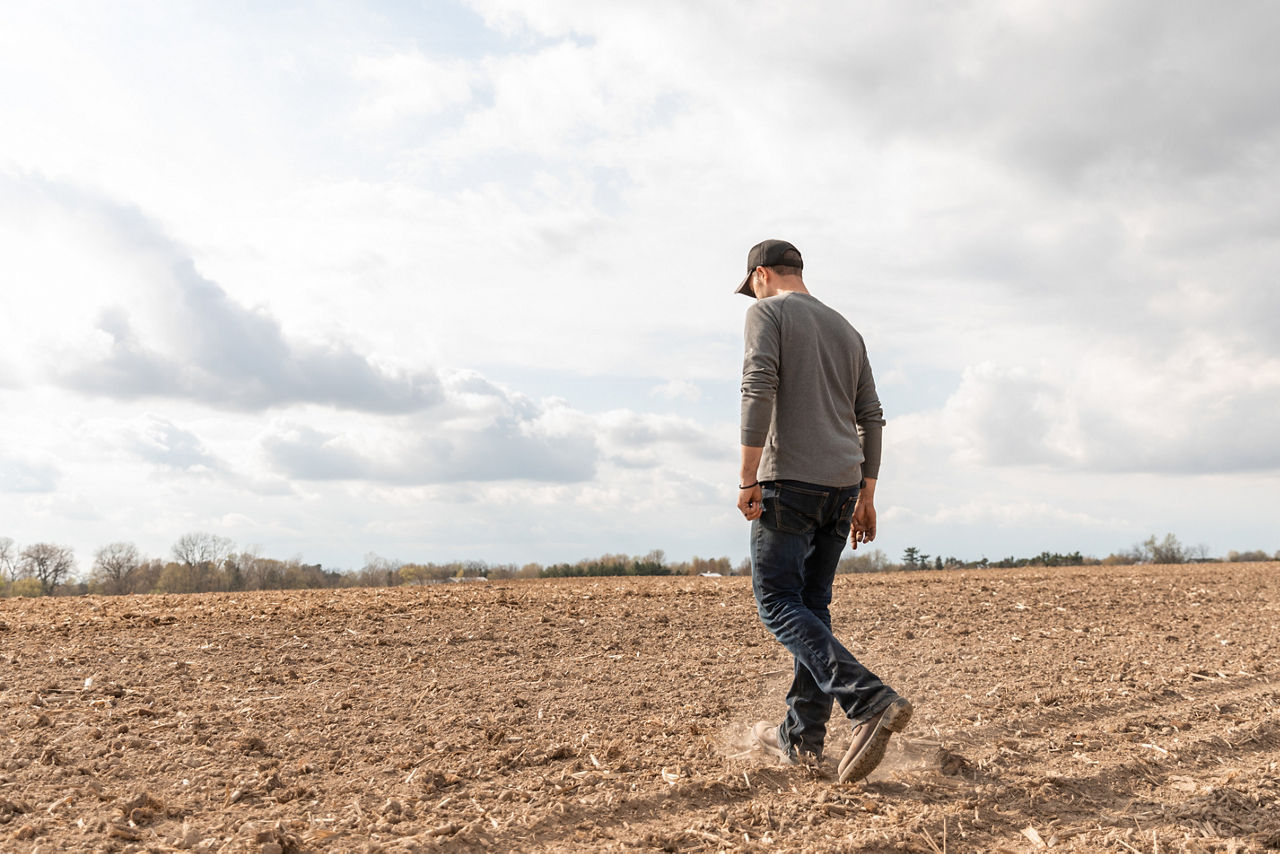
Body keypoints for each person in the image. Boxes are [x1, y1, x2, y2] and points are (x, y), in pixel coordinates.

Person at [735, 238, 911, 784]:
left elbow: (758, 385)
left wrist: (746, 475)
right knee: (811, 606)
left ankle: (869, 699)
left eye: (751, 286)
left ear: (761, 275)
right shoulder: (846, 329)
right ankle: (803, 741)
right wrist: (867, 494)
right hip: (841, 486)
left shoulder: (766, 313)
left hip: (788, 480)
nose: (752, 294)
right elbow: (872, 415)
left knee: (777, 603)